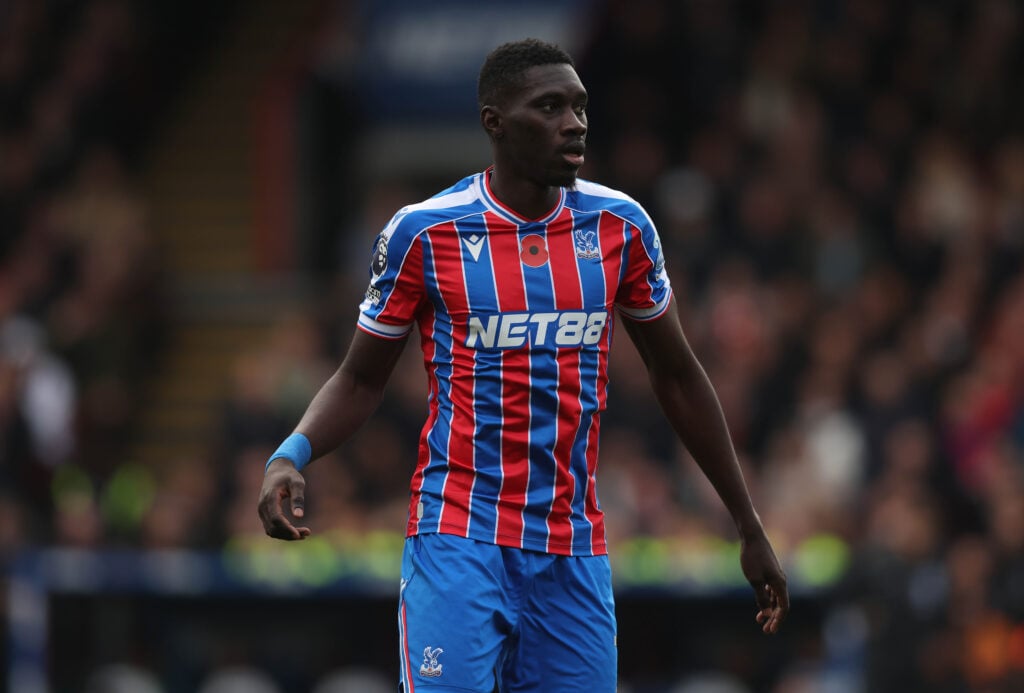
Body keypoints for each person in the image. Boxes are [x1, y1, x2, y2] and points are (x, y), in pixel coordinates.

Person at [258, 38, 788, 692]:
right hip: (459, 538)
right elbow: (360, 376)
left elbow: (678, 376)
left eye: (580, 106)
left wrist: (747, 521)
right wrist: (291, 453)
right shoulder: (426, 233)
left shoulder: (622, 228)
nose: (575, 123)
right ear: (495, 122)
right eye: (551, 106)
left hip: (573, 549)